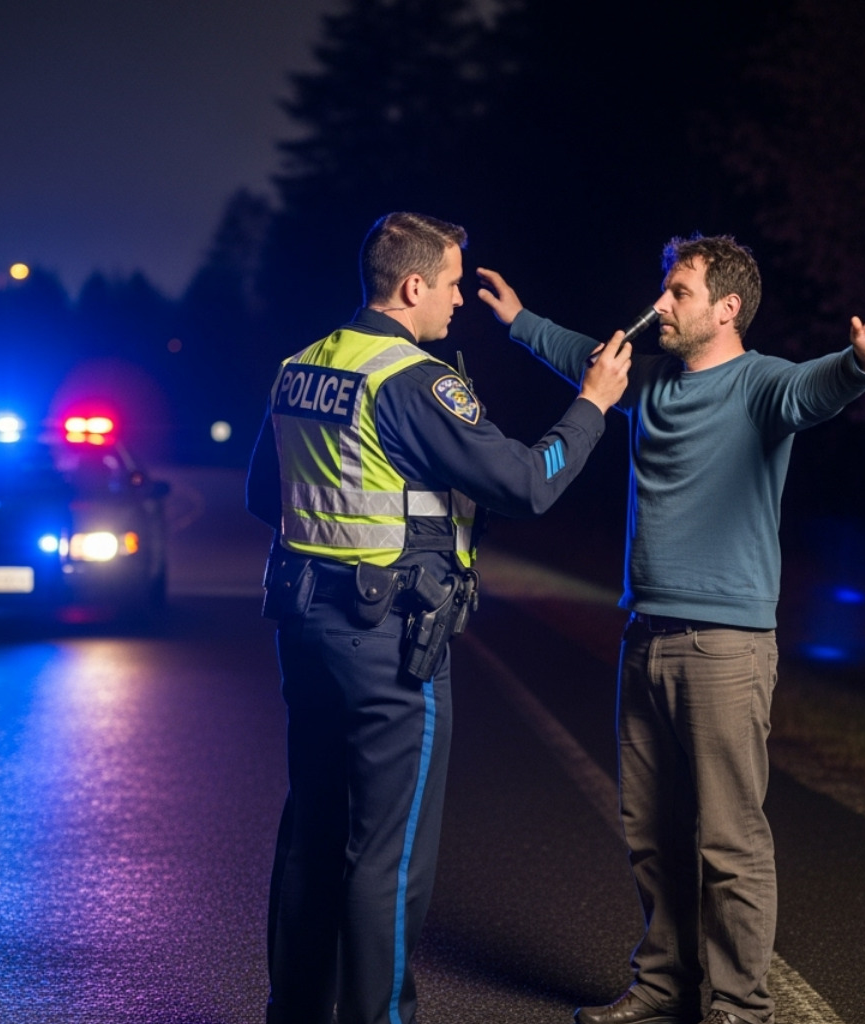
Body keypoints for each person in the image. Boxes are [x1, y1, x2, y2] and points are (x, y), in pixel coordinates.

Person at [477, 235, 865, 1024]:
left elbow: (820, 390)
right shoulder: (650, 378)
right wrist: (520, 321)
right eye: (664, 288)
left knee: (728, 842)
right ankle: (663, 987)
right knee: (649, 831)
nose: (660, 305)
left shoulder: (762, 386)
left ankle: (740, 1009)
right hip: (644, 634)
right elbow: (588, 353)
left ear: (726, 308)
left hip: (724, 647)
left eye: (678, 292)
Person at [246, 211, 632, 1024]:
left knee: (313, 832)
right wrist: (592, 404)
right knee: (387, 854)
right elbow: (528, 483)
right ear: (413, 284)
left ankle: (296, 1011)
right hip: (389, 646)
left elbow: (263, 495)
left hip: (305, 631)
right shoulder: (416, 380)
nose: (458, 301)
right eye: (453, 284)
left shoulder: (303, 365)